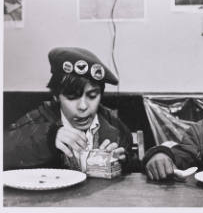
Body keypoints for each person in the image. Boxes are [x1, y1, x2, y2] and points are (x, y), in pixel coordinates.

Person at [4, 47, 133, 173]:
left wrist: (122, 162)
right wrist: (49, 138)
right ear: (56, 96)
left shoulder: (114, 125)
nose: (83, 106)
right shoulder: (36, 120)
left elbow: (134, 164)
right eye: (72, 97)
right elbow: (6, 147)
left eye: (92, 96)